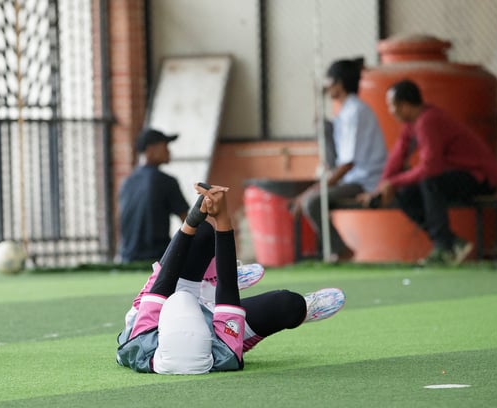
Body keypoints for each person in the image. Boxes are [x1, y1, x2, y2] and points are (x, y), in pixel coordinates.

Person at [116, 183, 346, 374]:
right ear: (209, 342)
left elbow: (164, 282)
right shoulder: (224, 352)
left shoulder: (140, 339)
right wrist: (223, 218)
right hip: (215, 325)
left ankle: (207, 282)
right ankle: (211, 287)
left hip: (166, 299)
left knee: (202, 233)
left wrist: (192, 219)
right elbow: (228, 290)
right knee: (289, 304)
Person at [359, 79, 497, 264]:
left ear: (405, 106)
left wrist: (392, 183)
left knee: (430, 181)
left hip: (480, 178)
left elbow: (430, 168)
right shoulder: (411, 124)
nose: (390, 111)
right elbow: (397, 156)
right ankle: (451, 243)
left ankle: (443, 247)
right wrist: (382, 188)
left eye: (392, 106)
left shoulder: (429, 121)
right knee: (405, 194)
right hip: (455, 177)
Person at [294, 58, 387, 262]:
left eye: (329, 82)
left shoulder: (355, 112)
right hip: (350, 175)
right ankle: (331, 248)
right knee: (324, 128)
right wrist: (316, 97)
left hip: (363, 179)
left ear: (339, 83)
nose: (327, 88)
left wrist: (315, 189)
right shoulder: (345, 111)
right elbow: (322, 128)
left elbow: (348, 164)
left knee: (312, 201)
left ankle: (341, 250)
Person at [117, 128, 189, 263]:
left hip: (127, 259)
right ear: (151, 150)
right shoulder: (166, 181)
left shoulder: (127, 182)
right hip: (158, 260)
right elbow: (189, 223)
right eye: (165, 147)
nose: (169, 152)